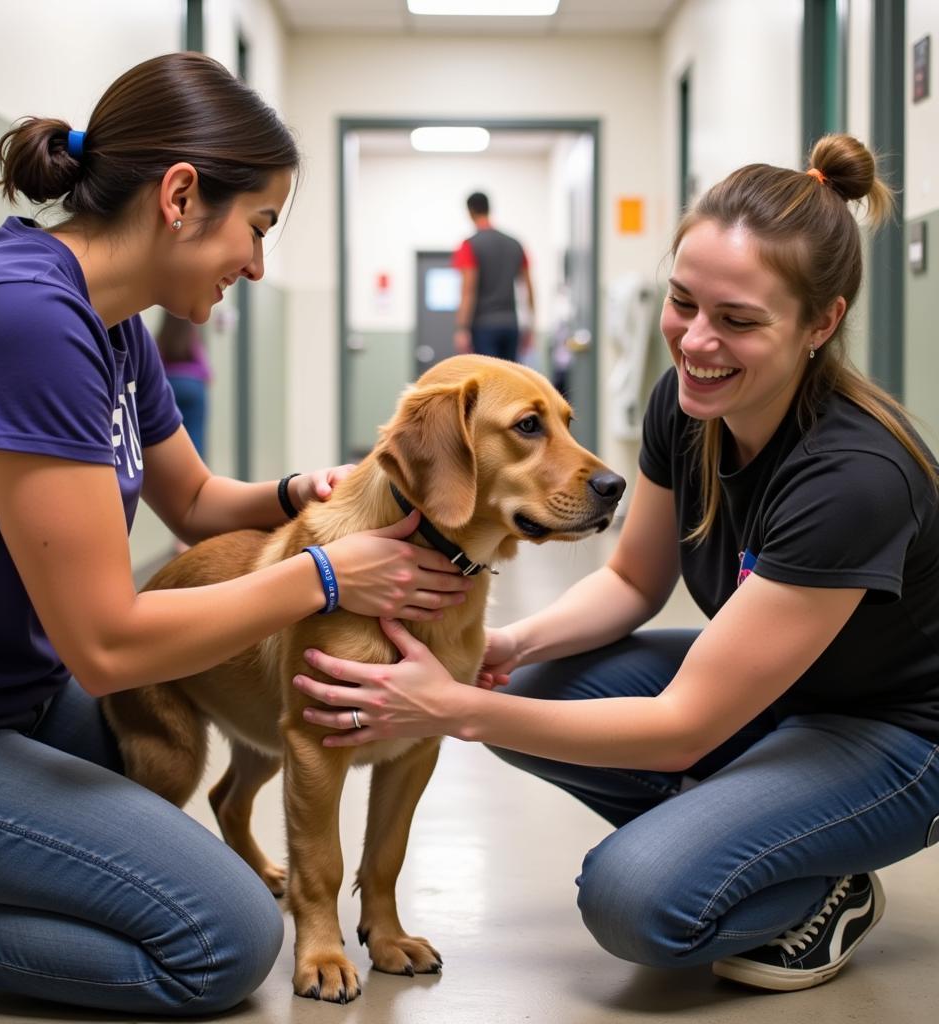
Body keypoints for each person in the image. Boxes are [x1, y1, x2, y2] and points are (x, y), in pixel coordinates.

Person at [293, 134, 939, 994]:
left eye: (738, 320)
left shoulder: (853, 479)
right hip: (786, 696)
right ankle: (755, 830)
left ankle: (817, 879)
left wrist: (450, 708)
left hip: (898, 734)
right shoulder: (689, 400)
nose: (697, 341)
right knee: (518, 683)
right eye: (683, 303)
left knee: (635, 900)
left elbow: (684, 726)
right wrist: (505, 648)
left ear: (821, 323)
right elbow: (635, 580)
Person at [0, 52, 472, 1016]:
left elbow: (199, 501)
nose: (257, 264)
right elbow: (106, 645)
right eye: (256, 227)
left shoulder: (110, 320)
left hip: (14, 703)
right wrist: (328, 577)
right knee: (222, 939)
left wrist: (302, 491)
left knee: (158, 807)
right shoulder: (20, 318)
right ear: (180, 196)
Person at [452, 191, 535, 362]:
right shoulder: (515, 244)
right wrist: (530, 327)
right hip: (511, 325)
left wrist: (461, 328)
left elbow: (468, 291)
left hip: (483, 326)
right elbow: (528, 288)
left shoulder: (469, 245)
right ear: (489, 209)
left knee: (488, 383)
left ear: (470, 212)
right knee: (508, 382)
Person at [156, 311, 211, 461]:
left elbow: (154, 366)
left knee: (166, 434)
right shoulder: (192, 338)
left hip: (168, 386)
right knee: (195, 435)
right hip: (193, 387)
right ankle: (197, 475)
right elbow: (207, 372)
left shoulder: (162, 337)